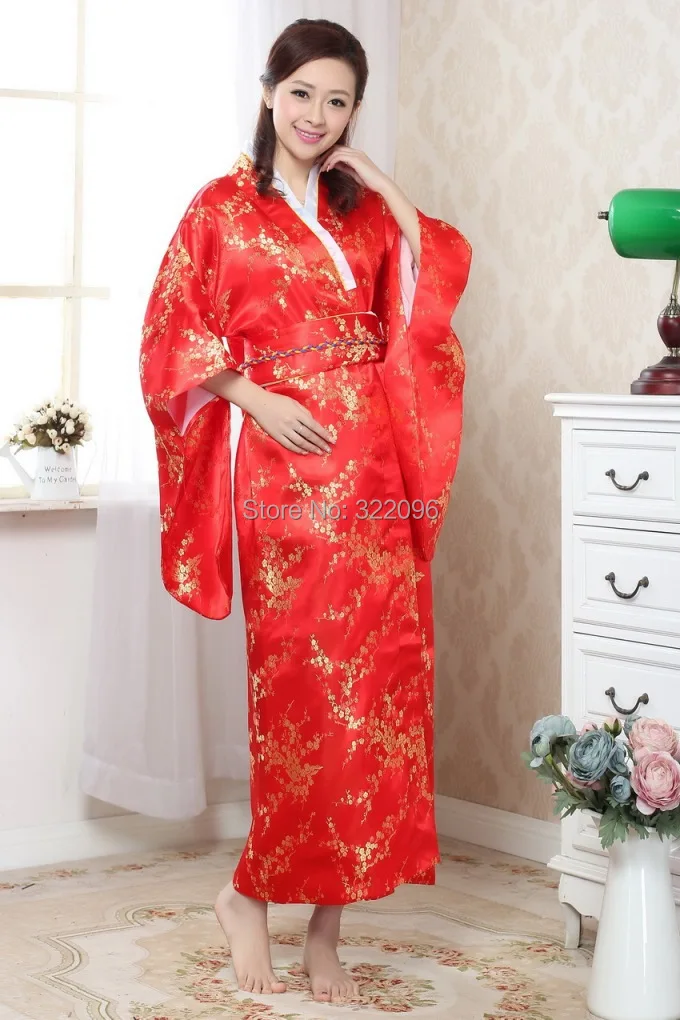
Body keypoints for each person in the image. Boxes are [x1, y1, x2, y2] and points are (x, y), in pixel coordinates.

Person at [139, 16, 471, 1006]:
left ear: (354, 112)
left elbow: (435, 276)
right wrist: (251, 397)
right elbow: (169, 335)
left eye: (338, 101)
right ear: (267, 92)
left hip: (373, 476)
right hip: (284, 479)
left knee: (373, 699)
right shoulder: (220, 209)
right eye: (301, 94)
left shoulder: (361, 213)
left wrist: (384, 183)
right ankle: (248, 894)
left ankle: (326, 928)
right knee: (300, 699)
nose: (316, 116)